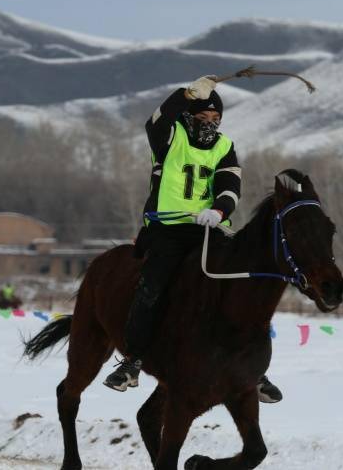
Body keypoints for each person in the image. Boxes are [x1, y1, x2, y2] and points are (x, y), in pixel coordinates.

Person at [103, 75, 283, 403]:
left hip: (207, 227)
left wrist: (218, 210)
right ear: (189, 117)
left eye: (216, 120)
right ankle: (132, 361)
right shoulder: (170, 137)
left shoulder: (225, 147)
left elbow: (230, 186)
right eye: (203, 118)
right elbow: (154, 122)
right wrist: (185, 94)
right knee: (152, 288)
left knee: (234, 289)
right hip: (166, 229)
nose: (210, 125)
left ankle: (254, 370)